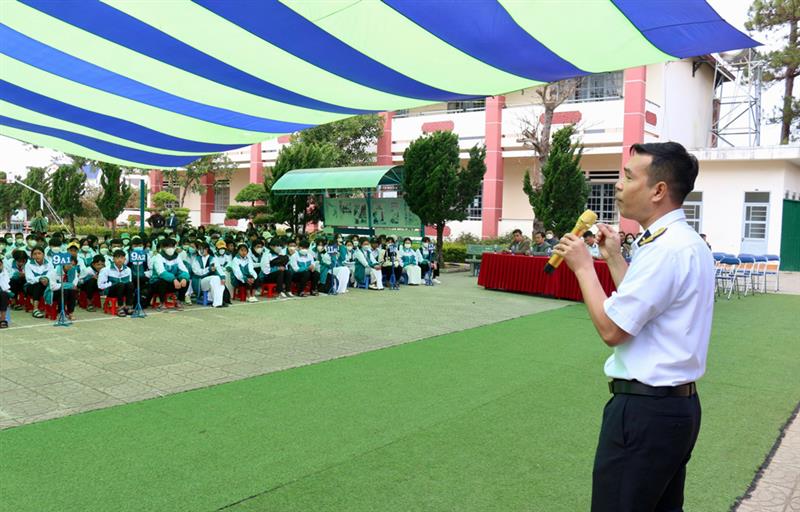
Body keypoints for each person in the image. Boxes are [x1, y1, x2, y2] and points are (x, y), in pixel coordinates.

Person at [553, 142, 711, 511]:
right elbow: (645, 308)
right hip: (674, 410)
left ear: (658, 190)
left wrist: (583, 267)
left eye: (627, 176)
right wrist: (613, 258)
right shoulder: (682, 242)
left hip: (645, 412)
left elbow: (614, 329)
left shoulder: (665, 250)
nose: (619, 185)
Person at [149, 238, 190, 310]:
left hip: (172, 283)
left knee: (186, 280)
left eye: (172, 246)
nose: (170, 248)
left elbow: (184, 270)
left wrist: (184, 278)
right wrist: (174, 279)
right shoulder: (158, 257)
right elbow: (161, 272)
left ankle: (179, 301)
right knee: (162, 281)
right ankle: (162, 303)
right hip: (157, 284)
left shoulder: (177, 257)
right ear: (162, 248)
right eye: (167, 247)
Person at [191, 241, 228, 308]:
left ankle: (218, 302)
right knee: (215, 278)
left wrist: (223, 277)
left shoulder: (213, 258)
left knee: (218, 279)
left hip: (211, 280)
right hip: (200, 281)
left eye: (201, 249)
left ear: (206, 249)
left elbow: (219, 269)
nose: (200, 250)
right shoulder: (196, 259)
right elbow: (197, 272)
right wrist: (208, 269)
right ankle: (218, 302)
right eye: (199, 249)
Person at [98, 250, 134, 317]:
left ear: (125, 259)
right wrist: (112, 283)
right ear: (113, 259)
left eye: (122, 258)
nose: (119, 260)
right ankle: (120, 308)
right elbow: (100, 286)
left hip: (123, 290)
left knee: (130, 284)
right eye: (117, 258)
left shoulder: (128, 269)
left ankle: (128, 306)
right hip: (111, 291)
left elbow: (129, 281)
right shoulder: (106, 270)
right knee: (120, 284)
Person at [24, 246, 54, 319]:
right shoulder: (28, 264)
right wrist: (40, 279)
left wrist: (46, 279)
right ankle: (35, 309)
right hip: (31, 286)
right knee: (38, 285)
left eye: (39, 253)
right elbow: (29, 279)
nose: (37, 255)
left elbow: (52, 274)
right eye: (35, 254)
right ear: (32, 255)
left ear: (43, 254)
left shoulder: (49, 263)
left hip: (46, 284)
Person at [0, 258, 12, 328]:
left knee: (4, 294)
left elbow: (6, 285)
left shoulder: (4, 272)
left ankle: (3, 319)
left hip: (2, 291)